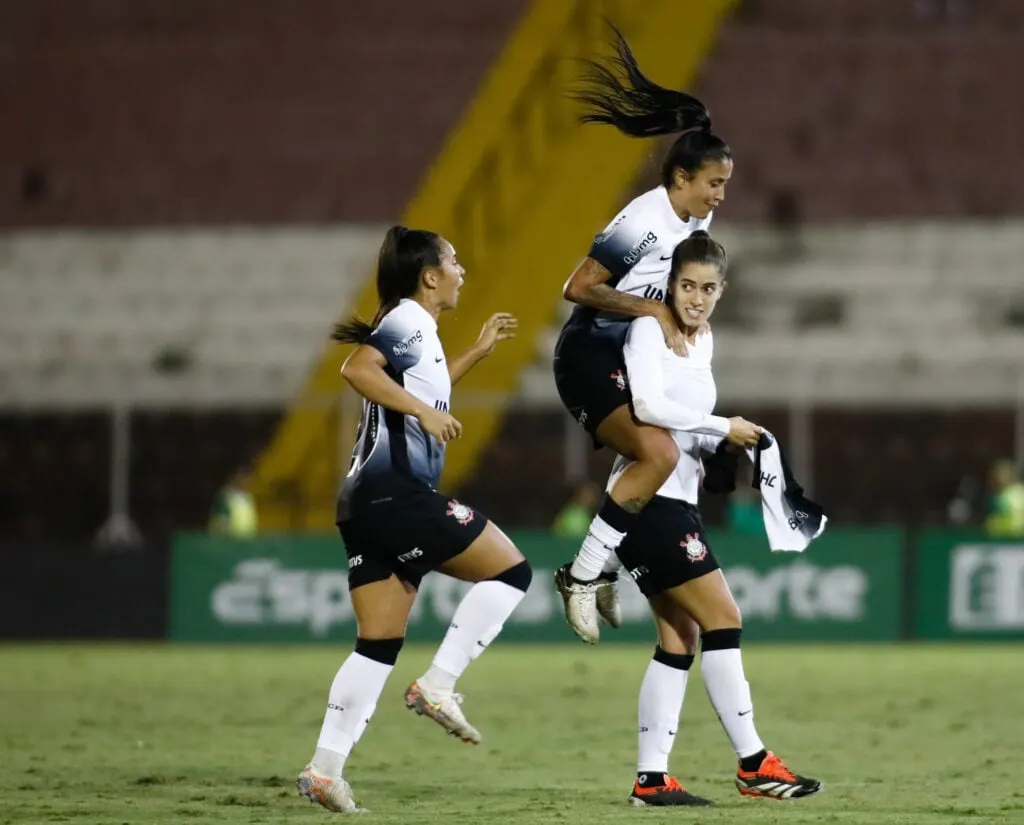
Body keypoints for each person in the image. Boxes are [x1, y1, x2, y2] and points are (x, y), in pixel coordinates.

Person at [296, 226, 530, 813]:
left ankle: (325, 769)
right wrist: (423, 411)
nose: (461, 270)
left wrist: (474, 353)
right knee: (511, 572)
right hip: (395, 494)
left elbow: (425, 387)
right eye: (453, 261)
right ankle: (439, 684)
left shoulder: (417, 329)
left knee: (377, 643)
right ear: (429, 276)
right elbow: (357, 368)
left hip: (361, 504)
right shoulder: (404, 319)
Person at [611, 232, 822, 805]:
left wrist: (729, 449)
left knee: (678, 638)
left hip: (672, 499)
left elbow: (689, 431)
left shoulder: (702, 340)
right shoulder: (647, 328)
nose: (696, 298)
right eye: (686, 286)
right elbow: (647, 407)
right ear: (670, 284)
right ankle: (754, 763)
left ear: (722, 291)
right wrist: (720, 424)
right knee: (723, 620)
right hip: (646, 499)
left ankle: (651, 780)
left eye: (708, 288)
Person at [553, 24, 736, 643]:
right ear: (679, 178)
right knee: (657, 451)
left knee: (655, 450)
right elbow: (577, 287)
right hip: (587, 350)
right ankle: (581, 575)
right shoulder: (644, 219)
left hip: (624, 351)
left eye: (724, 184)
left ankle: (603, 567)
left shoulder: (697, 214)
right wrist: (653, 310)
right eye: (713, 182)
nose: (719, 195)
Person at [207, 465, 258, 537]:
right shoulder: (226, 497)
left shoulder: (247, 497)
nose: (247, 482)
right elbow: (219, 523)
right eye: (245, 478)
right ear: (236, 478)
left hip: (246, 542)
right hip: (230, 542)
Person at [984, 459, 1024, 536]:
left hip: (1009, 538)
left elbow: (1003, 520)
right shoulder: (1021, 490)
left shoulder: (1003, 496)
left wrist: (990, 523)